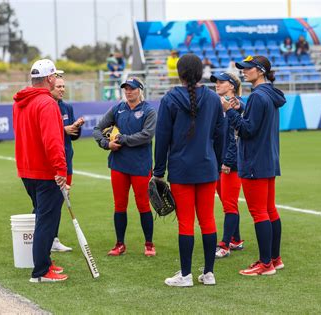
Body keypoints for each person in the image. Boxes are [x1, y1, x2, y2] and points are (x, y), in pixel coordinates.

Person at [154, 54, 224, 287]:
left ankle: (185, 275)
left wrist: (158, 171)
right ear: (201, 72)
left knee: (186, 222)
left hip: (181, 169)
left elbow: (162, 138)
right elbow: (221, 135)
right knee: (208, 220)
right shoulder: (214, 99)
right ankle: (209, 273)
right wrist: (218, 162)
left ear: (180, 73)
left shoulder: (170, 98)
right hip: (207, 167)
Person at [224, 55, 286, 276]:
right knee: (269, 210)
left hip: (254, 162)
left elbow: (248, 130)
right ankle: (274, 259)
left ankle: (265, 263)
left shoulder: (259, 96)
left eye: (248, 68)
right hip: (268, 159)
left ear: (260, 71)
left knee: (259, 212)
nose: (243, 71)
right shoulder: (267, 93)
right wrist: (240, 108)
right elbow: (254, 123)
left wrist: (230, 111)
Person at [13, 59, 68, 282]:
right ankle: (41, 271)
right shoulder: (46, 104)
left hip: (27, 170)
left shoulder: (19, 102)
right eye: (54, 75)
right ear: (49, 79)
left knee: (42, 218)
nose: (56, 79)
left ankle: (44, 262)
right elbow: (53, 141)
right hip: (45, 172)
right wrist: (61, 170)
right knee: (46, 221)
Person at [92, 77, 157, 257]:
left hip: (140, 165)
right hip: (119, 164)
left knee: (143, 205)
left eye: (132, 88)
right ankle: (120, 244)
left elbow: (147, 135)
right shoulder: (118, 108)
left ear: (140, 90)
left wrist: (123, 139)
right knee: (120, 205)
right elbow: (97, 129)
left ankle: (149, 244)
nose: (128, 92)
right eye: (126, 89)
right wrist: (106, 144)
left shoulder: (149, 111)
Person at [210, 72, 245, 259]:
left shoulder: (237, 105)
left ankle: (224, 245)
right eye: (216, 82)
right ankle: (236, 239)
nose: (217, 84)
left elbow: (235, 137)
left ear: (231, 86)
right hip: (218, 162)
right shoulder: (218, 105)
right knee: (227, 202)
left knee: (229, 205)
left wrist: (228, 162)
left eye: (221, 82)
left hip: (230, 164)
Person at [49, 76, 85, 252]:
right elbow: (48, 133)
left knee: (61, 200)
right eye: (58, 86)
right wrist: (64, 129)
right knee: (48, 202)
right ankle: (43, 239)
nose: (62, 89)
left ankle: (53, 239)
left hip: (66, 159)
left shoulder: (67, 107)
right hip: (51, 162)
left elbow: (72, 136)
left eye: (63, 86)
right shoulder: (46, 105)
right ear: (50, 87)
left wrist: (76, 127)